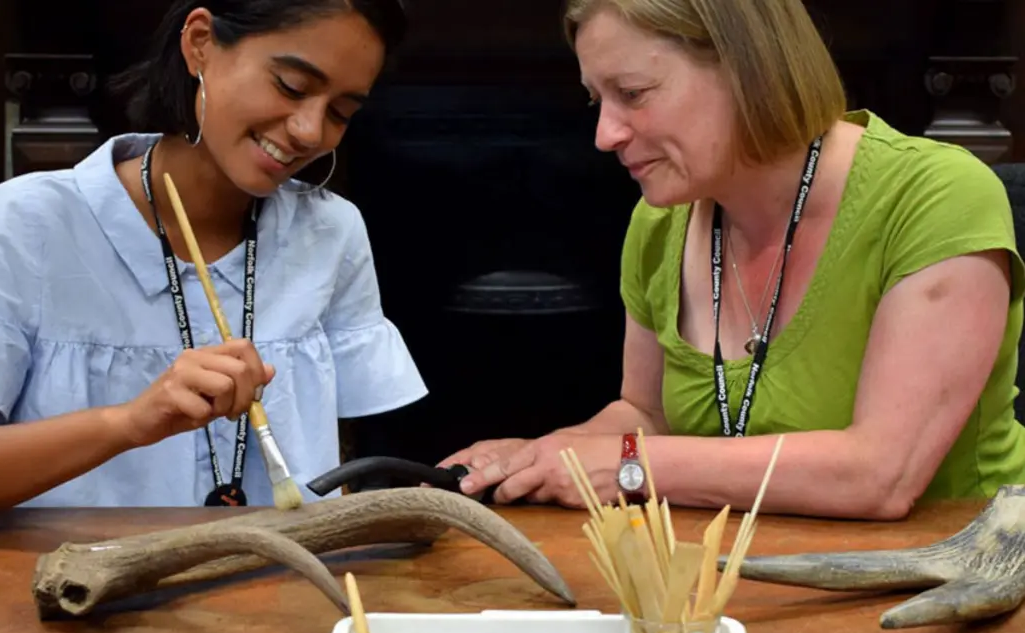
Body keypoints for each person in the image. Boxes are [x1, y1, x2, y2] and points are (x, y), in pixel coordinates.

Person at [438, 0, 1025, 521]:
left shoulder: (938, 197)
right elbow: (646, 413)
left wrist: (626, 465)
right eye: (598, 100)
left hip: (958, 596)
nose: (604, 133)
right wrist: (537, 458)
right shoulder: (660, 221)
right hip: (745, 584)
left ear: (747, 68)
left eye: (633, 93)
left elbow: (880, 474)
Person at [0, 0, 427, 526]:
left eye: (340, 112)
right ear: (200, 44)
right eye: (292, 86)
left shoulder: (331, 233)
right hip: (70, 606)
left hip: (271, 602)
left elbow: (350, 474)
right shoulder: (34, 221)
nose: (310, 131)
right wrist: (129, 423)